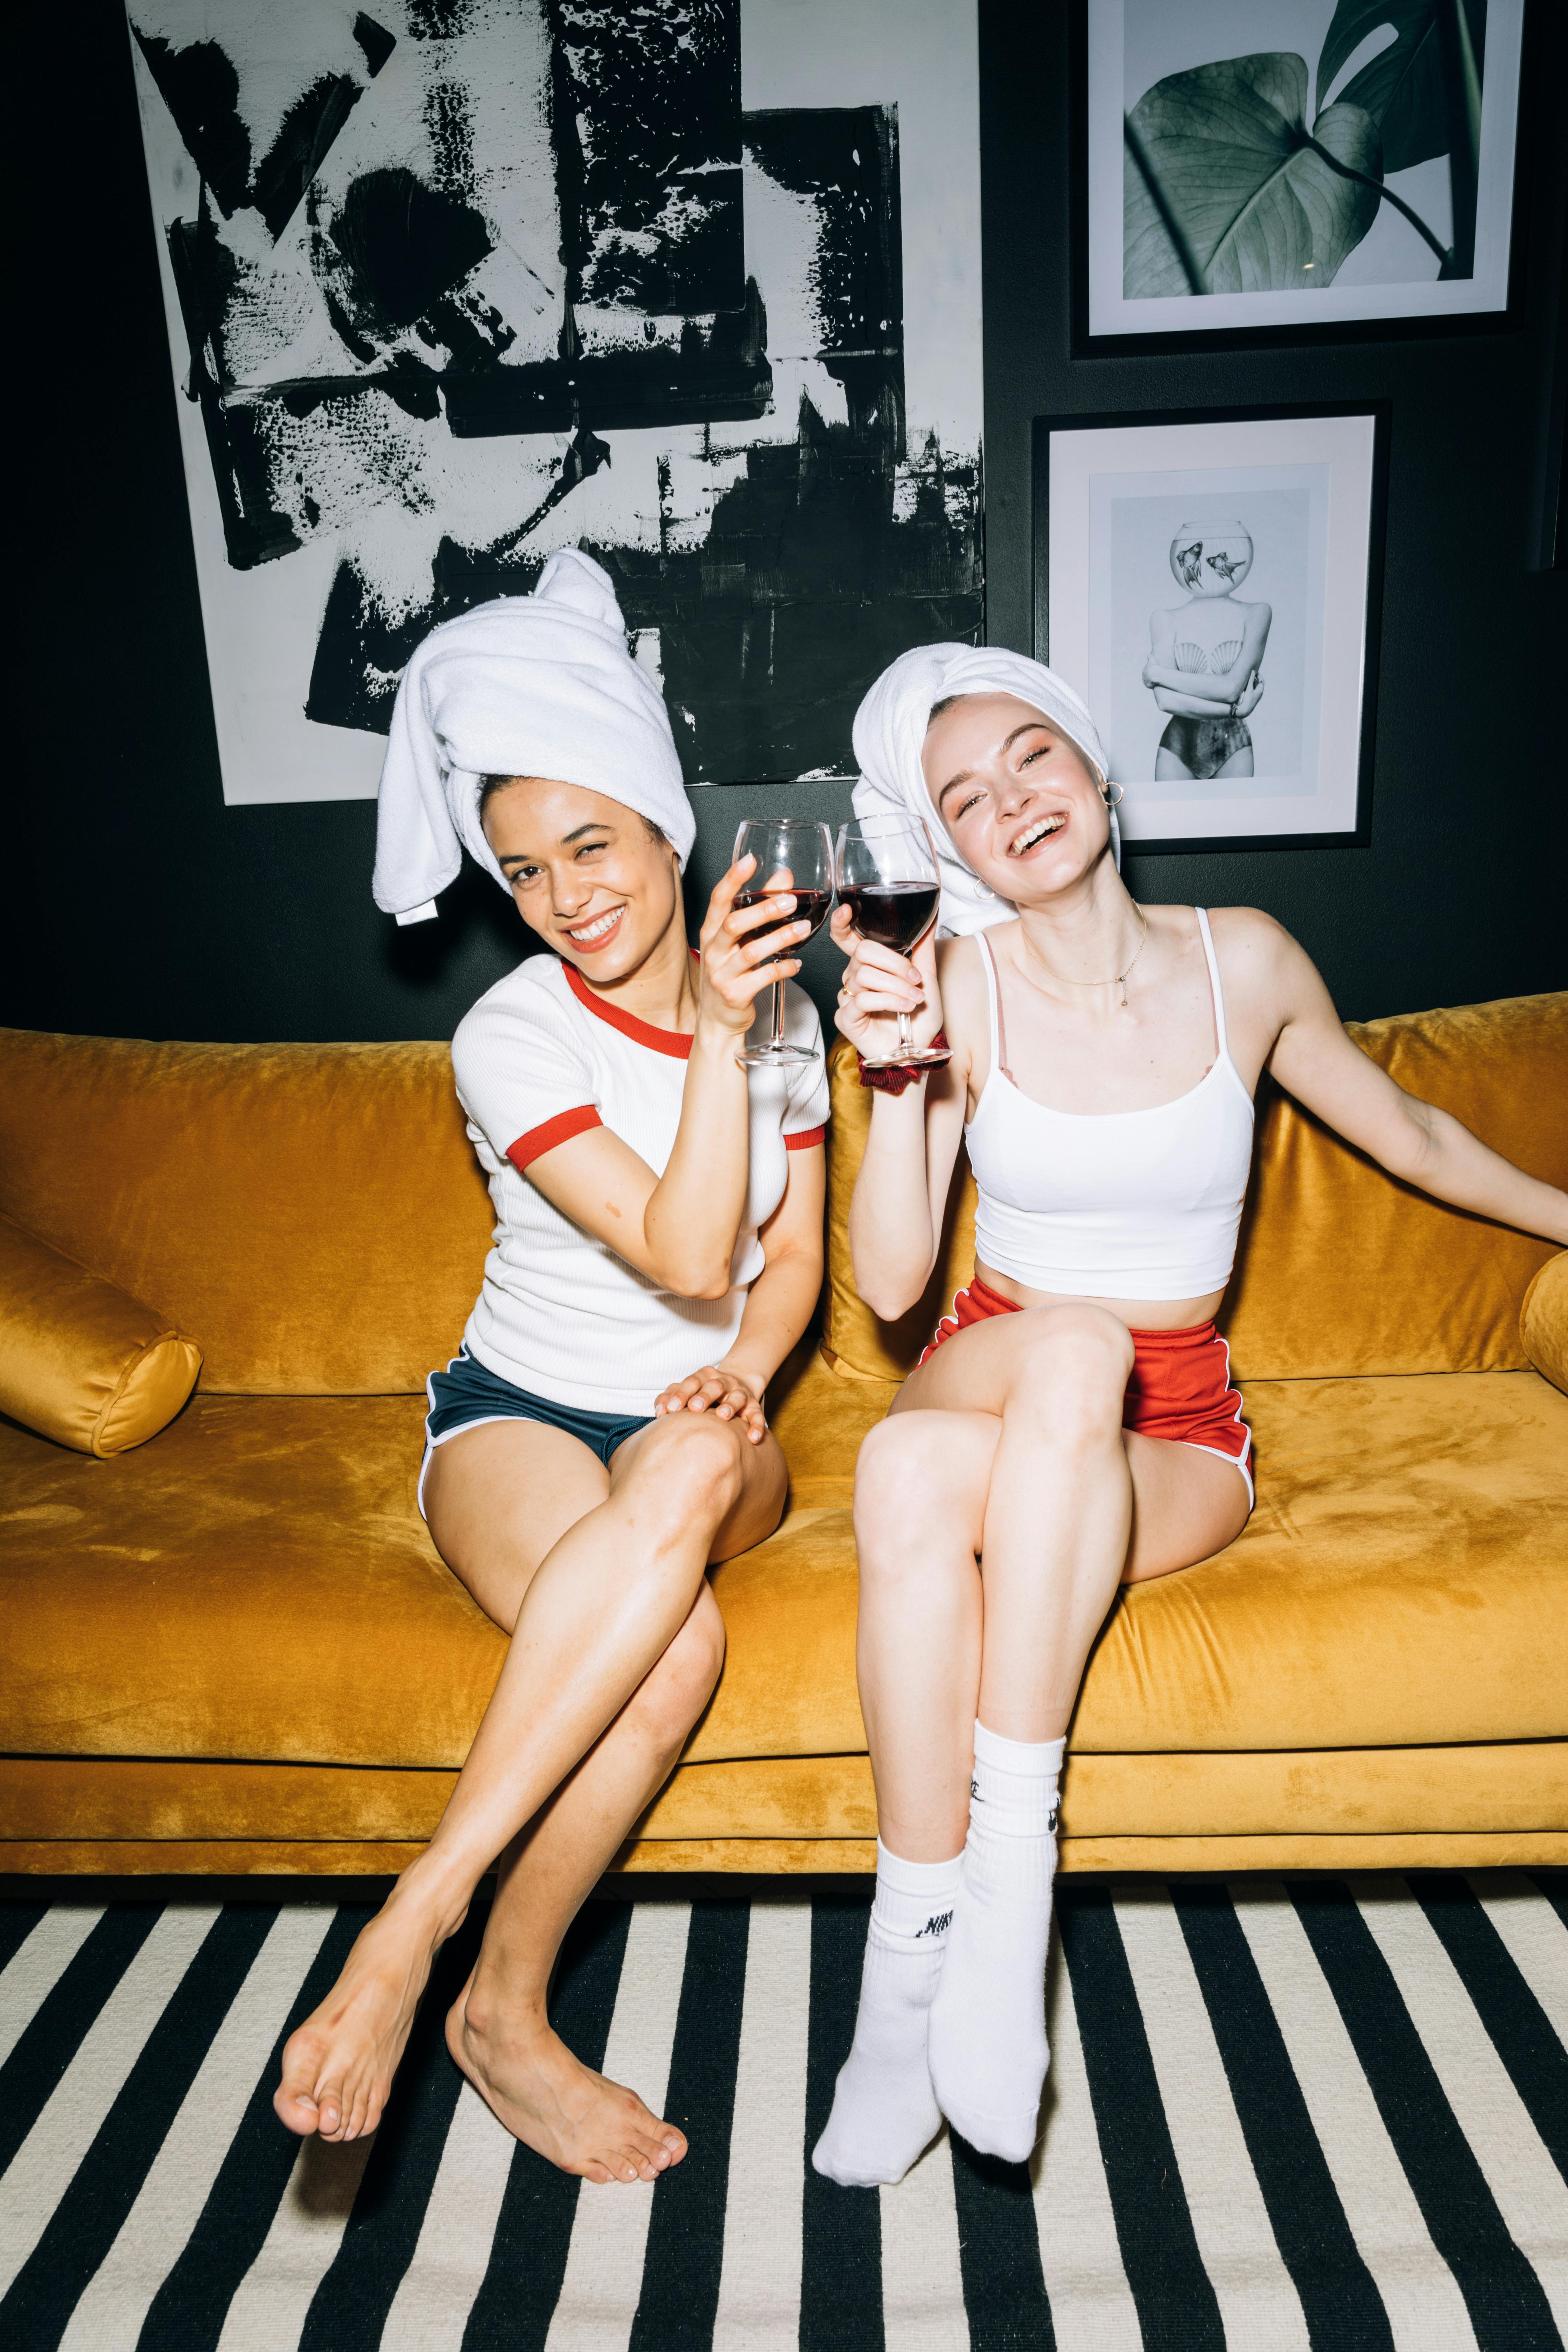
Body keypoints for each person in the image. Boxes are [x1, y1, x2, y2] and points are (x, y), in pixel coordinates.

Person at [813, 641, 1568, 2186]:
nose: (1007, 799)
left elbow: (1414, 1129)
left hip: (1176, 1431)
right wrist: (893, 1081)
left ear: (1092, 765)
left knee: (900, 1474)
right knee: (1067, 1339)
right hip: (993, 1352)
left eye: (1028, 755)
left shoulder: (1250, 961)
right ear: (946, 850)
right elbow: (890, 1283)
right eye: (962, 796)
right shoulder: (954, 981)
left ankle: (903, 1986)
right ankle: (1006, 1871)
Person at [274, 550, 828, 2184]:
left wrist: (751, 1369)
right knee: (669, 1657)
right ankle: (482, 1996)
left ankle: (410, 1937)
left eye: (591, 842)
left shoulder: (771, 1003)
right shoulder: (511, 1035)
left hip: (708, 1423)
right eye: (521, 870)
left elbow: (771, 1261)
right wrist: (722, 1039)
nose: (566, 892)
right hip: (514, 1410)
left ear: (666, 823)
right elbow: (672, 1243)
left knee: (679, 1462)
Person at [1142, 520, 1271, 779]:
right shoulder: (1164, 618)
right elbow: (1166, 701)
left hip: (1232, 745)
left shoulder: (1257, 613)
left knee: (1237, 820)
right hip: (1179, 745)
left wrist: (1158, 674)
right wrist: (1235, 711)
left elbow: (1232, 688)